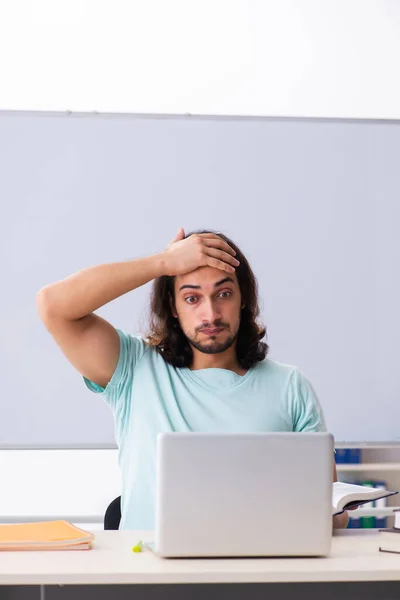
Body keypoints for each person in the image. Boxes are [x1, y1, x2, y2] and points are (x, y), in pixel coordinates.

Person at [36, 228, 348, 529]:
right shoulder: (133, 367)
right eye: (192, 298)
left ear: (243, 299)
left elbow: (332, 511)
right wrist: (163, 263)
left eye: (223, 294)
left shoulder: (289, 386)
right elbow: (54, 306)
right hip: (148, 575)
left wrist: (328, 512)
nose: (210, 315)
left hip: (256, 571)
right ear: (172, 306)